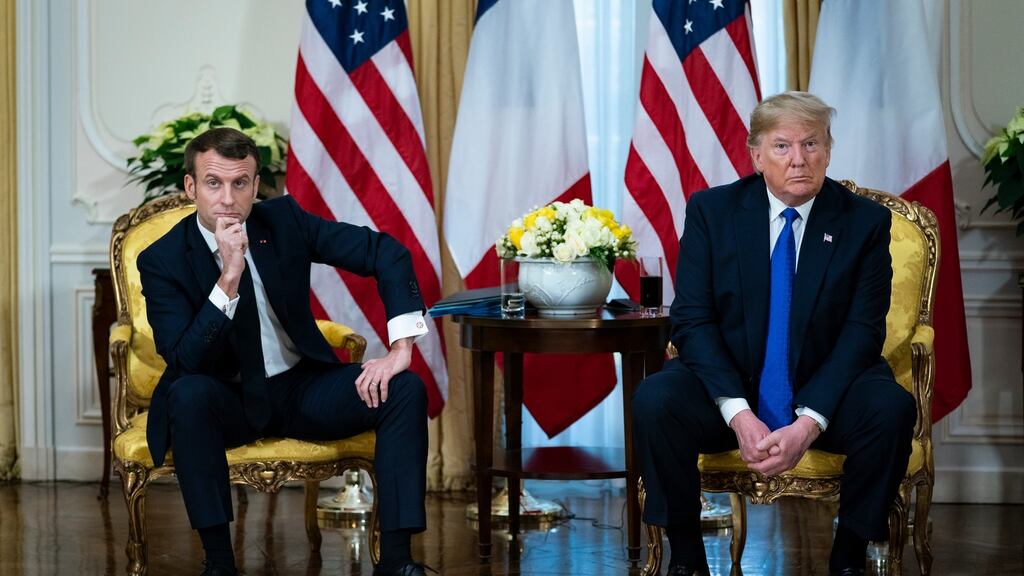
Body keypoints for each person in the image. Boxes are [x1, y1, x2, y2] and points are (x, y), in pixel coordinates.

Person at [632, 92, 916, 576]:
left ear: (828, 151)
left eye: (811, 144)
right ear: (756, 155)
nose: (799, 159)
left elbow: (861, 334)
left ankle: (847, 555)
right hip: (732, 383)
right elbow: (693, 320)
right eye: (782, 146)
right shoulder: (712, 211)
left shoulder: (864, 222)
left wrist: (808, 423)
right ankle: (686, 554)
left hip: (829, 386)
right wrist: (739, 414)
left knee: (891, 409)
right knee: (655, 399)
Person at [138, 127, 431, 576]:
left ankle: (396, 561)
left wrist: (400, 346)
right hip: (225, 396)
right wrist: (228, 278)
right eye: (213, 183)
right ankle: (219, 563)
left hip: (300, 389)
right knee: (188, 393)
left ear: (257, 186)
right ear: (191, 187)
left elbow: (384, 252)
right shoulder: (163, 259)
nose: (227, 199)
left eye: (240, 183)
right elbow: (185, 360)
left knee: (405, 389)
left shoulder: (283, 222)